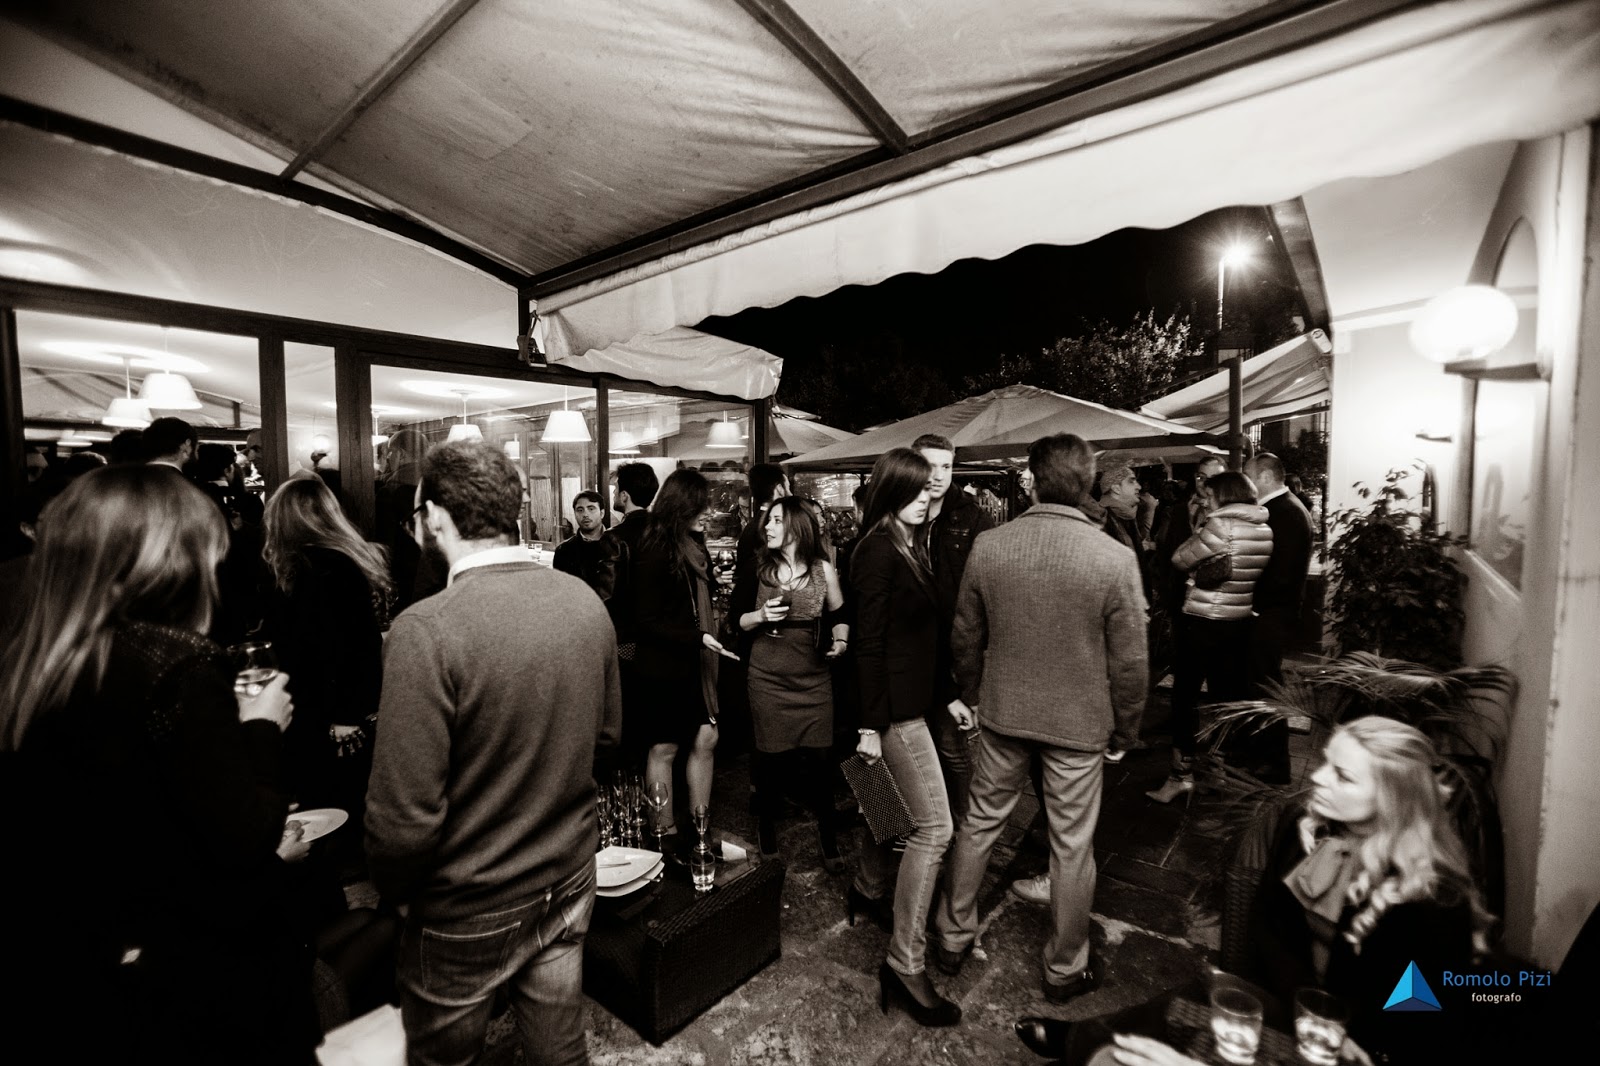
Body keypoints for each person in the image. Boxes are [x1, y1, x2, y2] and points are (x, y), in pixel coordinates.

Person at [0, 465, 316, 1065]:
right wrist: (261, 727)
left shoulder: (40, 662)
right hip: (196, 974)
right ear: (172, 558)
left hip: (87, 966)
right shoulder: (177, 665)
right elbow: (243, 840)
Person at [1017, 717, 1490, 1066]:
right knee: (1193, 998)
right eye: (1328, 763)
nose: (1318, 777)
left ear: (1394, 799)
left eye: (1343, 776)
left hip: (1355, 1048)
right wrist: (1292, 1006)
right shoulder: (1307, 831)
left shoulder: (1434, 900)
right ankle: (1082, 1042)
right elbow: (1271, 926)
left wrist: (1330, 1036)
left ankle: (1080, 1043)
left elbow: (1417, 1018)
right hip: (1291, 1000)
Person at [365, 440, 620, 1066]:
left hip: (468, 902)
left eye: (419, 513)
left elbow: (401, 819)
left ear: (437, 518)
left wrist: (401, 895)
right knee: (560, 1051)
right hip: (567, 875)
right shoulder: (582, 601)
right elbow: (607, 739)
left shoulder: (425, 629)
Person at [933, 434, 1147, 1005]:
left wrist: (974, 692)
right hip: (1079, 722)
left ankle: (951, 939)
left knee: (980, 824)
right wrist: (1127, 728)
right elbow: (1131, 661)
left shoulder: (991, 545)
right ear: (1087, 483)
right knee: (1072, 846)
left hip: (1004, 712)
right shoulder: (1113, 557)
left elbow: (964, 634)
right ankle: (1064, 969)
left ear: (1032, 481)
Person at [849, 447, 961, 1028]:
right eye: (914, 490)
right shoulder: (876, 551)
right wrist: (870, 726)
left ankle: (868, 891)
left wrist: (948, 695)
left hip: (913, 703)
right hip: (893, 714)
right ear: (891, 492)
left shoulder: (909, 543)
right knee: (934, 829)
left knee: (892, 817)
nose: (926, 496)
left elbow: (921, 638)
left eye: (930, 488)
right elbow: (869, 645)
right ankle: (905, 962)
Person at [261, 475, 391, 827]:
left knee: (332, 808)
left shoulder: (321, 567)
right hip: (326, 708)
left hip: (326, 713)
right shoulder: (332, 561)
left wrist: (346, 714)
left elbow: (349, 643)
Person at [733, 496, 848, 868]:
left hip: (814, 682)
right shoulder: (757, 568)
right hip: (767, 680)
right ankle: (766, 830)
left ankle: (828, 840)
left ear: (797, 526)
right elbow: (736, 621)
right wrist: (761, 616)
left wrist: (842, 641)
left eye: (776, 520)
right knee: (770, 762)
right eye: (768, 520)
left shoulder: (822, 570)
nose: (767, 526)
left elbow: (840, 614)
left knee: (822, 763)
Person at [1147, 471, 1272, 804]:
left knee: (1184, 697)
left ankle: (1181, 776)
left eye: (1209, 496)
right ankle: (1219, 770)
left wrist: (1197, 526)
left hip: (1202, 622)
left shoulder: (1219, 526)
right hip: (1238, 623)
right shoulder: (1264, 528)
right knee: (1224, 698)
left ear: (1224, 496)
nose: (1204, 501)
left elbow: (1179, 558)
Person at [631, 469, 730, 849]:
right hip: (663, 666)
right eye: (702, 506)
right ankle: (664, 835)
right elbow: (645, 620)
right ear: (682, 505)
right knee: (665, 747)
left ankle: (700, 827)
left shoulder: (692, 544)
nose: (708, 513)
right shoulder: (654, 548)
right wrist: (698, 635)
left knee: (706, 737)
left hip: (692, 662)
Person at [913, 432, 994, 828]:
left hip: (941, 658)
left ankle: (956, 830)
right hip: (891, 674)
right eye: (929, 466)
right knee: (877, 765)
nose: (938, 476)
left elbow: (979, 599)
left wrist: (961, 685)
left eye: (946, 466)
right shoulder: (887, 529)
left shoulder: (969, 517)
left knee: (947, 748)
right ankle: (907, 834)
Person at [1241, 452, 1315, 784]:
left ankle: (1274, 763)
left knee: (1265, 686)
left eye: (1249, 476)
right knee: (1260, 683)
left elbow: (1280, 572)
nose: (1246, 483)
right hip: (1274, 611)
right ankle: (1261, 755)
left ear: (1266, 477)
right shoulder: (1287, 508)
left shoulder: (1284, 512)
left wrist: (1256, 607)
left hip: (1271, 613)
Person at [374, 427, 427, 610]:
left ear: (402, 454)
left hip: (403, 578)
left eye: (390, 452)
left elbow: (385, 543)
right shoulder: (440, 486)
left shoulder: (390, 491)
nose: (388, 457)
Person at [552, 489, 623, 606]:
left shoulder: (618, 544)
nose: (585, 514)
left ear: (602, 513)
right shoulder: (564, 550)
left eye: (591, 508)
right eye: (580, 510)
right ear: (575, 514)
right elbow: (561, 593)